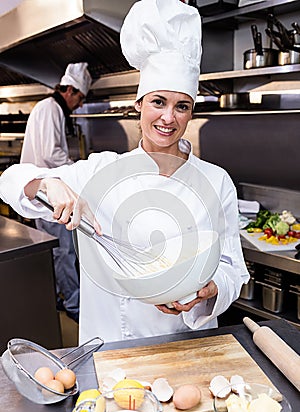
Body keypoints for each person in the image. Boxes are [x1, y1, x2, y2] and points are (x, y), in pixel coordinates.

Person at [0, 0, 249, 343]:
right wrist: (49, 182)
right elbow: (10, 181)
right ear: (139, 105)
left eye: (182, 106)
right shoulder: (101, 170)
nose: (168, 118)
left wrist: (209, 289)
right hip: (110, 349)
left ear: (190, 113)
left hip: (186, 345)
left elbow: (232, 268)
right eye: (158, 102)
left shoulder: (216, 182)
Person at [19, 62, 92, 323]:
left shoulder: (49, 108)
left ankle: (66, 297)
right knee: (64, 251)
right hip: (49, 194)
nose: (80, 105)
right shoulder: (51, 109)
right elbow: (52, 154)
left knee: (60, 251)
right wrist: (79, 169)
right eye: (80, 98)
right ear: (70, 90)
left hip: (45, 193)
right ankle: (74, 305)